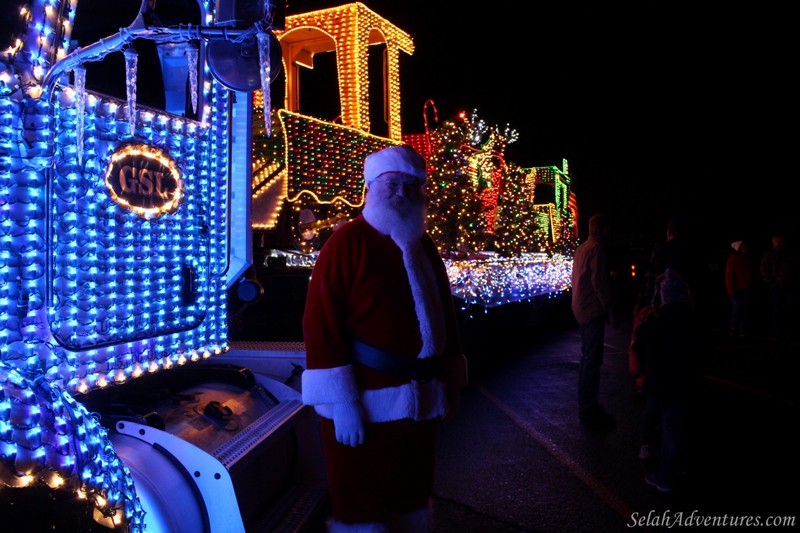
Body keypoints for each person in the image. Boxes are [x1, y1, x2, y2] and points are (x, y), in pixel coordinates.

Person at [301, 145, 469, 532]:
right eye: (393, 184)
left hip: (421, 402)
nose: (402, 193)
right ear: (371, 187)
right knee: (362, 505)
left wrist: (451, 383)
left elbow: (445, 316)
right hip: (365, 404)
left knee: (412, 496)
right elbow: (320, 324)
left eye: (412, 186)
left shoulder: (424, 246)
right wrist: (341, 402)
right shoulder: (345, 242)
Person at [631, 268, 700, 493]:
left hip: (658, 381)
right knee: (676, 426)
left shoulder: (654, 319)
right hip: (683, 382)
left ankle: (665, 476)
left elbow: (638, 346)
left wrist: (647, 366)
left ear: (664, 294)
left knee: (665, 425)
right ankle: (674, 466)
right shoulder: (691, 321)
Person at [571, 213, 616, 431]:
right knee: (592, 359)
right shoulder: (597, 250)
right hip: (591, 308)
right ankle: (588, 405)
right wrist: (609, 308)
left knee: (587, 357)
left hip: (580, 306)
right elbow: (600, 282)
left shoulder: (581, 249)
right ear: (603, 229)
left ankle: (586, 402)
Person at [759, 230, 800, 342]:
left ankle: (790, 333)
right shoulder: (768, 254)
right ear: (772, 240)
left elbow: (797, 268)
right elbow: (764, 270)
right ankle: (778, 334)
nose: (778, 240)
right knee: (777, 310)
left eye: (780, 238)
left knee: (790, 308)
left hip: (790, 286)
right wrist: (771, 282)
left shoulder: (791, 253)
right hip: (775, 287)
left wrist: (792, 280)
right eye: (776, 238)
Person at [724, 240, 756, 337]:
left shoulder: (749, 259)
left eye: (746, 246)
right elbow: (729, 276)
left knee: (745, 309)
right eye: (744, 247)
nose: (746, 248)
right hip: (736, 289)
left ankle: (743, 329)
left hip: (747, 288)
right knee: (737, 308)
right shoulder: (733, 259)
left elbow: (753, 273)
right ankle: (733, 328)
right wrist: (731, 290)